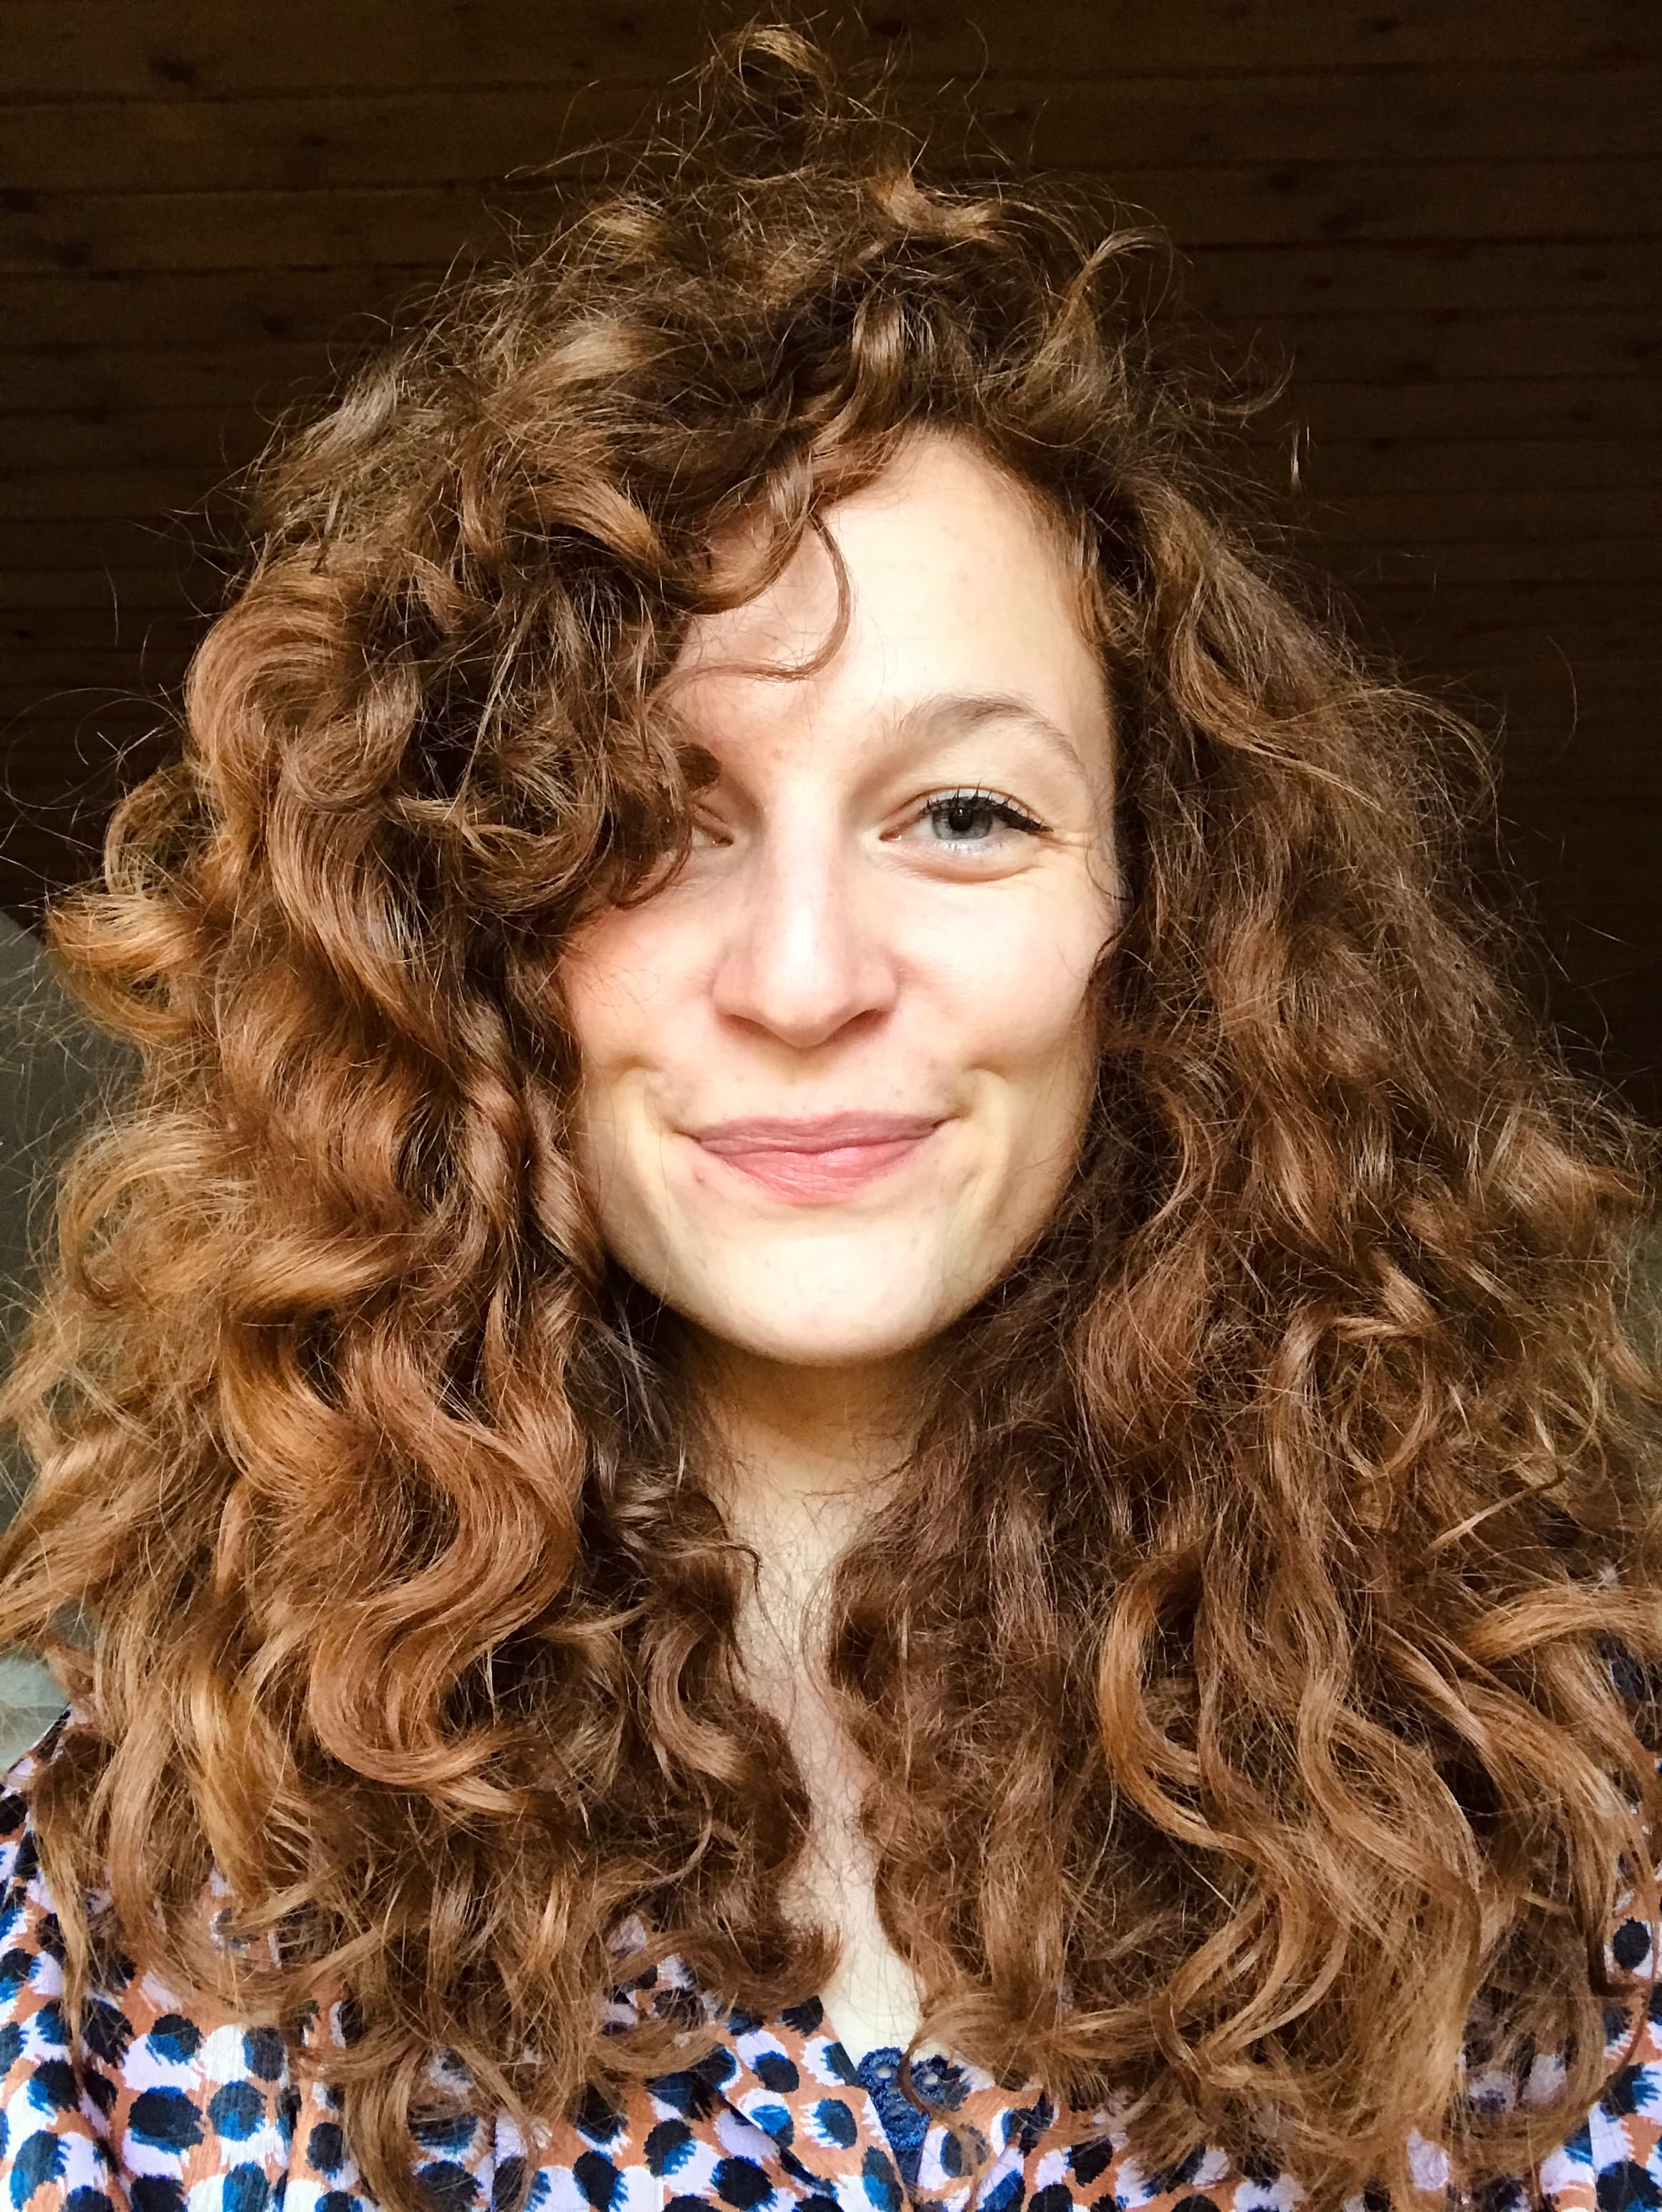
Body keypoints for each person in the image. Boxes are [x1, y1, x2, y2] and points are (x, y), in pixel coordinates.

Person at [0, 26, 1658, 2212]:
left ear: (1163, 920)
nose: (803, 978)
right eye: (649, 821)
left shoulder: (1568, 1864)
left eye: (964, 813)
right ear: (466, 933)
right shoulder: (116, 1940)